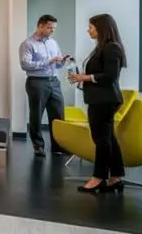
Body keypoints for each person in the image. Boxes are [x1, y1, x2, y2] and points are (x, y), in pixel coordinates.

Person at [68, 14, 126, 194]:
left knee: (101, 140)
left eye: (91, 27)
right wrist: (83, 79)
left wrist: (85, 77)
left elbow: (110, 76)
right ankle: (115, 176)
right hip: (100, 98)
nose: (88, 30)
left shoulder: (111, 48)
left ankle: (98, 177)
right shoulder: (102, 48)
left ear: (101, 28)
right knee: (108, 139)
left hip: (105, 100)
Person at [18, 14, 70, 157]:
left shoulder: (53, 42)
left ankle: (58, 146)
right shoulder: (27, 44)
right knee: (37, 115)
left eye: (53, 28)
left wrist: (62, 61)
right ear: (40, 25)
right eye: (49, 27)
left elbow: (57, 65)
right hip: (36, 82)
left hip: (54, 81)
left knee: (58, 115)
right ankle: (38, 146)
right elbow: (25, 65)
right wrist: (49, 61)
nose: (52, 30)